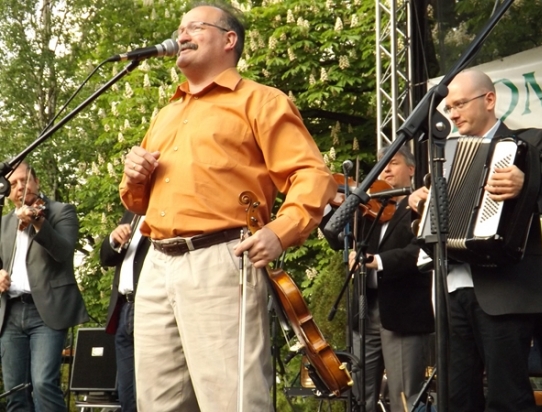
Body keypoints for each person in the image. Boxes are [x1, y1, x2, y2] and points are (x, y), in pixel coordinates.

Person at [118, 2, 337, 411]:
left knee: (231, 400)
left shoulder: (261, 101)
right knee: (157, 403)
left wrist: (280, 231)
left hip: (221, 258)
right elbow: (137, 202)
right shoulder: (165, 114)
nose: (181, 35)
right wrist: (134, 176)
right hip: (156, 264)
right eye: (179, 28)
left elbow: (312, 176)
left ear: (228, 39)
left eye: (194, 27)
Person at [408, 69, 542, 412]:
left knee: (507, 397)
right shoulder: (445, 156)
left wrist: (527, 185)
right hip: (452, 289)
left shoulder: (534, 142)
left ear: (489, 100)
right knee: (456, 398)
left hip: (506, 288)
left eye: (459, 104)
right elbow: (437, 225)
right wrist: (422, 206)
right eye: (449, 108)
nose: (453, 114)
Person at [323, 146, 434, 412]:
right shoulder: (368, 209)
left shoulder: (420, 205)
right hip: (365, 309)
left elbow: (422, 252)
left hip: (402, 313)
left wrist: (378, 261)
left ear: (411, 169)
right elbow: (336, 238)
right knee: (361, 395)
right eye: (382, 164)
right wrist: (326, 201)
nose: (385, 169)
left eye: (393, 163)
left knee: (404, 396)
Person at [0, 161, 89, 411]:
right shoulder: (4, 223)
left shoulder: (62, 212)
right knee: (15, 391)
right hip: (10, 312)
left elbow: (63, 252)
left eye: (25, 180)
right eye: (13, 183)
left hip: (46, 311)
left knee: (43, 384)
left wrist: (38, 221)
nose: (20, 186)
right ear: (7, 191)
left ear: (37, 182)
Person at [99, 211, 150, 412]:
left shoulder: (164, 208)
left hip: (148, 305)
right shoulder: (132, 212)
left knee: (148, 391)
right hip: (124, 308)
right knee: (126, 394)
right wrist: (113, 238)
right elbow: (105, 258)